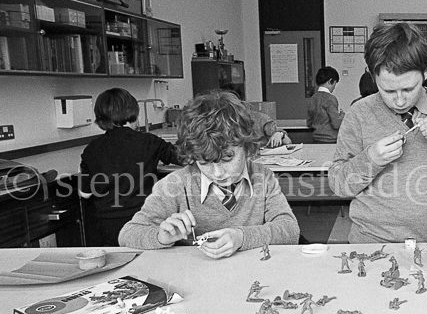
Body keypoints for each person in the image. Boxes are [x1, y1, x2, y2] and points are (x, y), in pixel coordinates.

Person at [328, 21, 427, 243]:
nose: (400, 100)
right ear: (373, 77)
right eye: (388, 90)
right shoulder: (360, 113)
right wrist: (371, 159)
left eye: (409, 88)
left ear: (426, 71)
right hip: (371, 243)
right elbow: (338, 184)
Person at [119, 89, 300, 258]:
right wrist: (160, 236)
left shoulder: (263, 177)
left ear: (247, 147)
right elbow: (128, 234)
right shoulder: (176, 184)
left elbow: (290, 230)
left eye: (228, 159)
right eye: (204, 162)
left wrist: (242, 237)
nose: (218, 173)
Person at [79, 88, 181, 246]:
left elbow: (85, 194)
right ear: (133, 112)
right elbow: (184, 157)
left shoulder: (91, 149)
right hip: (143, 222)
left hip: (106, 227)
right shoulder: (149, 141)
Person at [306, 66, 343, 143]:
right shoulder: (330, 99)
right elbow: (336, 123)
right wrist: (342, 115)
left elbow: (309, 123)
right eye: (335, 84)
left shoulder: (313, 98)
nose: (334, 87)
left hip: (316, 139)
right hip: (330, 139)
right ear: (330, 81)